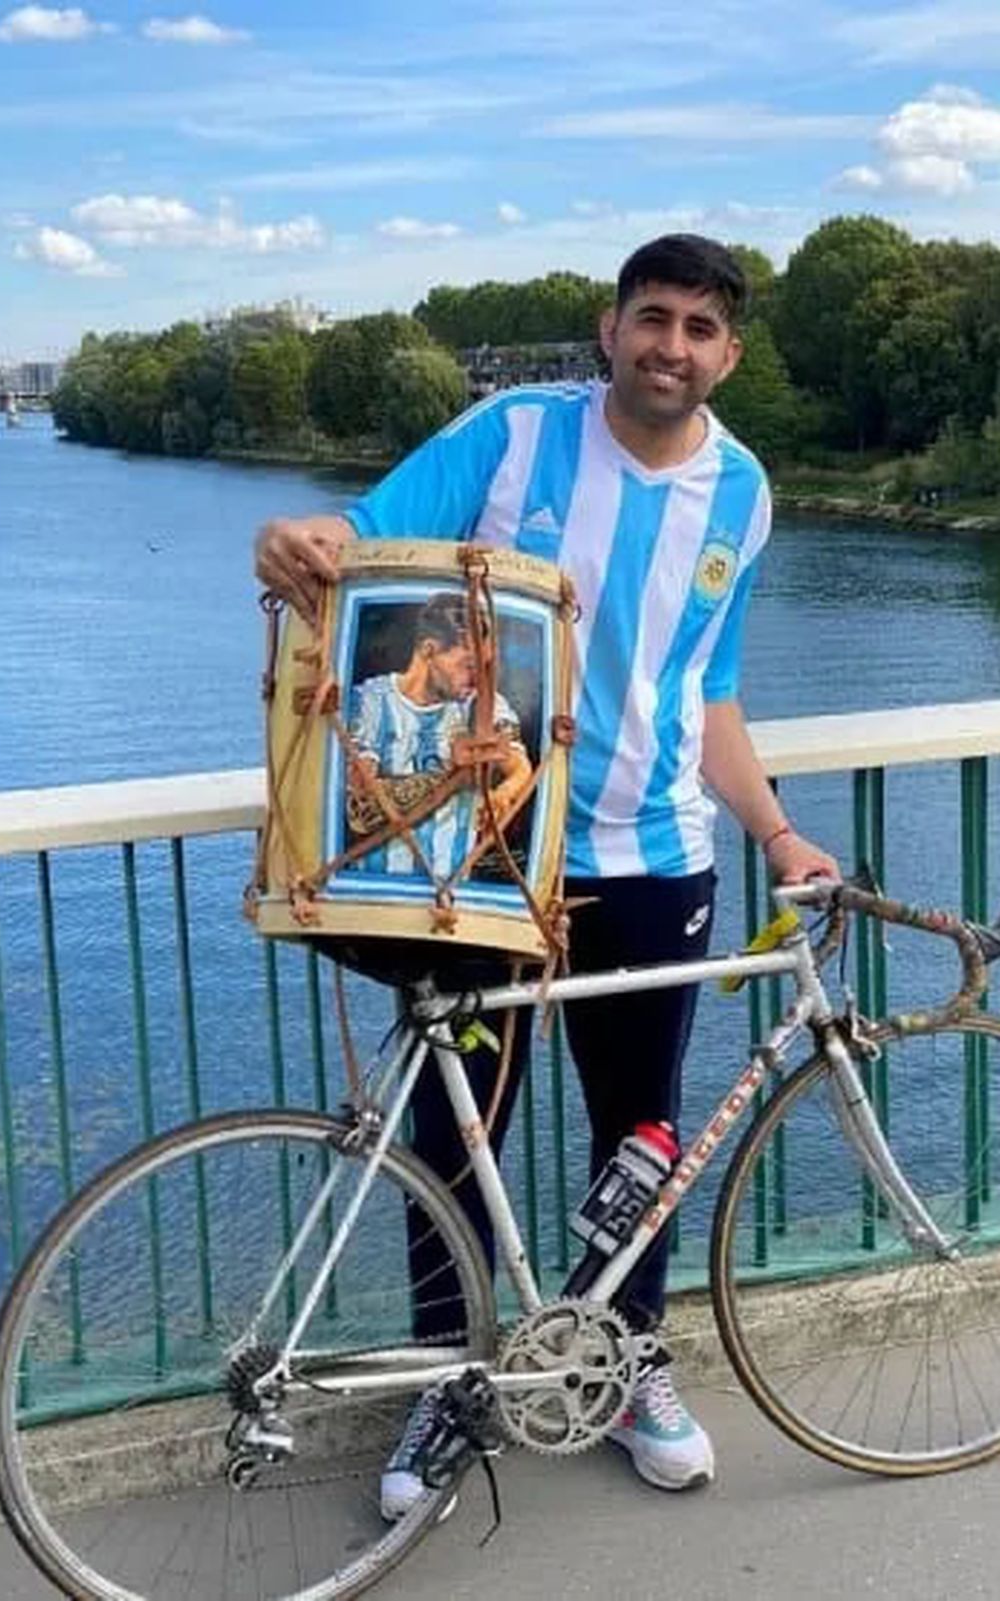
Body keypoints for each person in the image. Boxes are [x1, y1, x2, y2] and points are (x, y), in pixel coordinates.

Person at [256, 232, 838, 1515]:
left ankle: (625, 1360)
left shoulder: (743, 491)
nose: (671, 345)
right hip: (488, 866)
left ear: (729, 354)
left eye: (699, 327)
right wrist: (293, 538)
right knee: (453, 1137)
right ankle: (448, 1377)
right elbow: (362, 538)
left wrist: (776, 832)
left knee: (643, 1136)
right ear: (609, 327)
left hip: (657, 859)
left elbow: (709, 689)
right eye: (653, 317)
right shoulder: (515, 434)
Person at [345, 591, 531, 878]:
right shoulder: (370, 701)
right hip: (373, 888)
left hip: (454, 891)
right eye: (469, 666)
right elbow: (362, 808)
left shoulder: (481, 705)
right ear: (429, 651)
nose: (477, 678)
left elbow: (519, 767)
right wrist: (451, 775)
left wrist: (503, 794)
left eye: (483, 667)